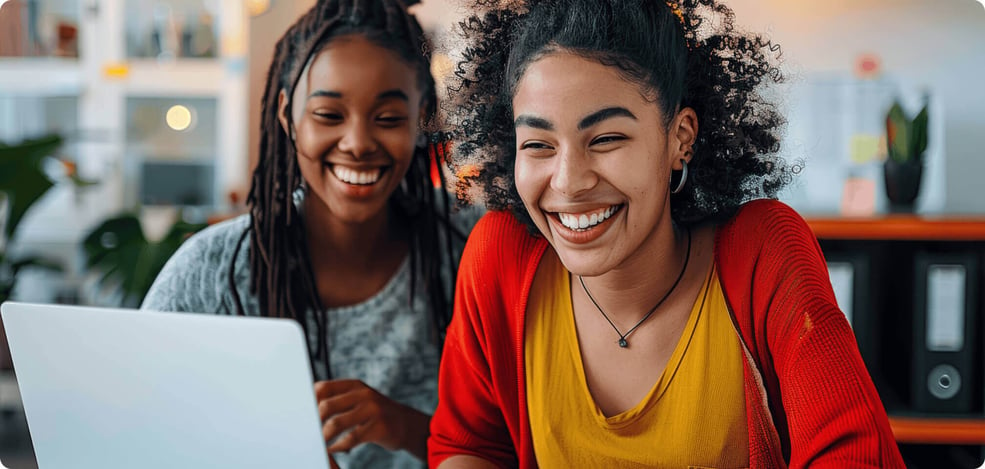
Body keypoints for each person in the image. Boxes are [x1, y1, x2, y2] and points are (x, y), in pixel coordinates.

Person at [429, 0, 905, 467]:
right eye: (537, 145)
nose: (568, 181)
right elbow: (468, 446)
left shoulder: (762, 250)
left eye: (606, 139)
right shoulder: (501, 253)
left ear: (680, 138)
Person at [142, 1, 478, 467]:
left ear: (422, 119)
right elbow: (141, 434)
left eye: (388, 118)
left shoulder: (472, 250)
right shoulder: (209, 274)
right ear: (287, 116)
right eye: (328, 115)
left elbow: (521, 444)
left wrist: (404, 426)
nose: (358, 143)